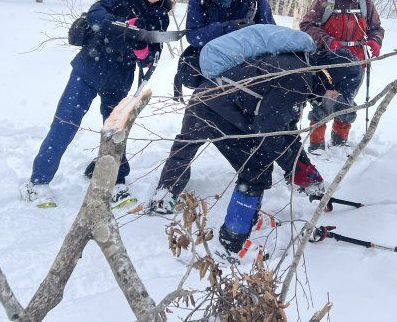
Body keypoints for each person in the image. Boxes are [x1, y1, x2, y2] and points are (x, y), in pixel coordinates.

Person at [151, 49, 361, 262]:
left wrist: (306, 172)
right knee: (256, 169)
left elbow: (286, 129)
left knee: (240, 158)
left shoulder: (301, 69)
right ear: (332, 79)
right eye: (338, 95)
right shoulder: (299, 79)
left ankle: (171, 196)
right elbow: (269, 132)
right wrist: (297, 170)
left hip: (211, 99)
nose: (333, 101)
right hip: (215, 109)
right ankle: (230, 244)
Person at [22, 0, 175, 209]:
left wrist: (140, 48)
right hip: (88, 69)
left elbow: (152, 57)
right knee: (66, 124)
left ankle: (116, 183)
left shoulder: (160, 16)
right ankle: (37, 182)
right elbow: (96, 13)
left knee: (116, 131)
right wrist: (123, 28)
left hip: (119, 78)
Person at [299, 0, 384, 152]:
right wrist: (328, 41)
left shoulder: (366, 4)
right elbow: (307, 25)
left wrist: (375, 41)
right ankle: (317, 143)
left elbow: (376, 28)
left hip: (356, 63)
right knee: (324, 99)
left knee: (346, 100)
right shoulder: (325, 0)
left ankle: (340, 139)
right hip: (327, 60)